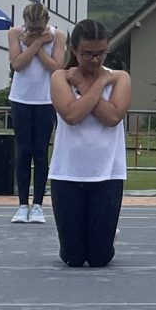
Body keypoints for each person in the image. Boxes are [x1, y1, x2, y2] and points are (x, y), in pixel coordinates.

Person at [47, 17, 131, 267]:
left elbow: (112, 117)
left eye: (101, 54)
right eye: (87, 54)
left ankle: (105, 237)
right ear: (74, 50)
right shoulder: (60, 77)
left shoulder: (119, 78)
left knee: (99, 258)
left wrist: (89, 85)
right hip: (68, 174)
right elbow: (72, 115)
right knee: (72, 258)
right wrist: (91, 86)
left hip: (107, 175)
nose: (95, 60)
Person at [5, 1, 61, 225]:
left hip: (46, 99)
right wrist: (37, 43)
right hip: (21, 98)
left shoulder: (58, 36)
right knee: (23, 150)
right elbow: (18, 64)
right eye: (31, 28)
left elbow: (56, 67)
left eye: (39, 28)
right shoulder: (15, 33)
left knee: (40, 151)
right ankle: (22, 204)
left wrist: (36, 45)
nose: (35, 31)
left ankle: (38, 204)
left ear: (46, 22)